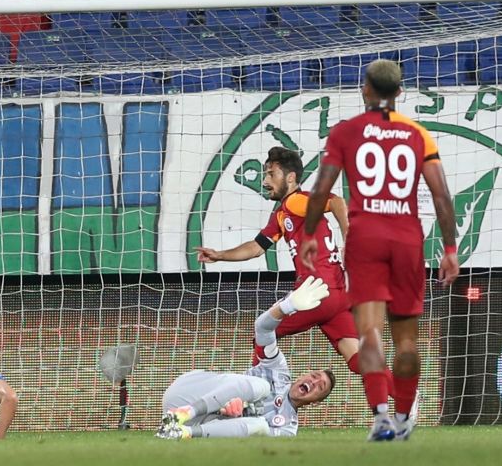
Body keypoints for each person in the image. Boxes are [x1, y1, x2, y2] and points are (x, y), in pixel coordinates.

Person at [299, 59, 459, 442]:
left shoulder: (346, 132)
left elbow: (321, 189)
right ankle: (405, 416)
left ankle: (382, 417)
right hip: (406, 238)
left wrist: (309, 235)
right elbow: (441, 195)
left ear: (365, 89)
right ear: (399, 93)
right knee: (407, 341)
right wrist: (450, 248)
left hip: (365, 237)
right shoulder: (418, 134)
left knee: (369, 333)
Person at [196, 146, 362, 374]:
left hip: (313, 291)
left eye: (271, 174)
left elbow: (336, 202)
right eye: (265, 175)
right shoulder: (282, 214)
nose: (265, 181)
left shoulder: (296, 201)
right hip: (336, 295)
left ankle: (257, 397)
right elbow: (256, 247)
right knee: (357, 358)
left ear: (291, 178)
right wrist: (220, 255)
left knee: (263, 332)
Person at [157, 277, 334, 439]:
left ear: (316, 402)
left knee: (260, 426)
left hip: (202, 425)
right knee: (262, 386)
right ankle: (184, 413)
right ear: (303, 375)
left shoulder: (288, 429)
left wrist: (231, 415)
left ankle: (181, 433)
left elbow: (253, 442)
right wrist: (287, 306)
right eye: (315, 376)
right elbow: (262, 328)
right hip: (188, 393)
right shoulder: (277, 369)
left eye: (320, 386)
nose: (314, 382)